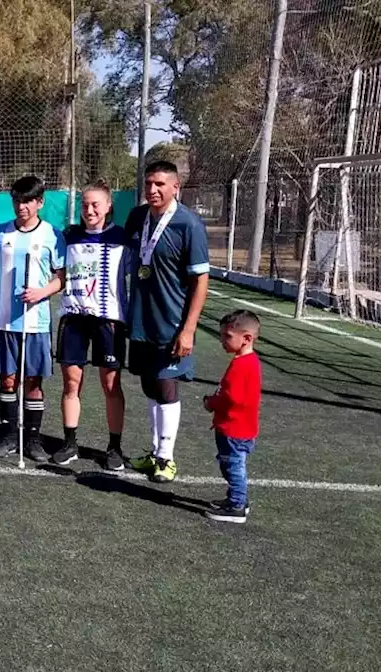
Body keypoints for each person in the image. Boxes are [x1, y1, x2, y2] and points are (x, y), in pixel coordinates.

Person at [125, 160, 211, 483]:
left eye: (160, 184)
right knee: (149, 384)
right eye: (149, 183)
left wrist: (188, 330)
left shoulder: (188, 225)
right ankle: (154, 451)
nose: (153, 190)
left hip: (171, 322)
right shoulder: (137, 218)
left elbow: (200, 281)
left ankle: (167, 457)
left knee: (166, 384)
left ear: (176, 187)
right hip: (140, 320)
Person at [0, 175, 66, 464]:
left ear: (39, 202)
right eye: (17, 200)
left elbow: (61, 278)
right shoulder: (1, 232)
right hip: (4, 321)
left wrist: (42, 292)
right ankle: (7, 435)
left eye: (28, 200)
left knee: (32, 381)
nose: (21, 206)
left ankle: (32, 439)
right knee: (7, 380)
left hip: (36, 323)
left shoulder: (52, 235)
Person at [56, 181, 129, 470]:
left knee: (111, 384)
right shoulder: (68, 236)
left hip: (108, 321)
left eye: (95, 204)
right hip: (73, 318)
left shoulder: (124, 238)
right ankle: (70, 442)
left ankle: (114, 447)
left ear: (108, 205)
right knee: (71, 383)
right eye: (85, 204)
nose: (89, 210)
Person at [202, 310, 262, 524]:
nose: (222, 341)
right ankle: (236, 499)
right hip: (238, 427)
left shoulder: (242, 365)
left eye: (227, 336)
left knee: (233, 466)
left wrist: (211, 403)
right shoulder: (247, 361)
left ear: (247, 338)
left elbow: (232, 398)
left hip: (234, 429)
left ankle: (237, 505)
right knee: (231, 465)